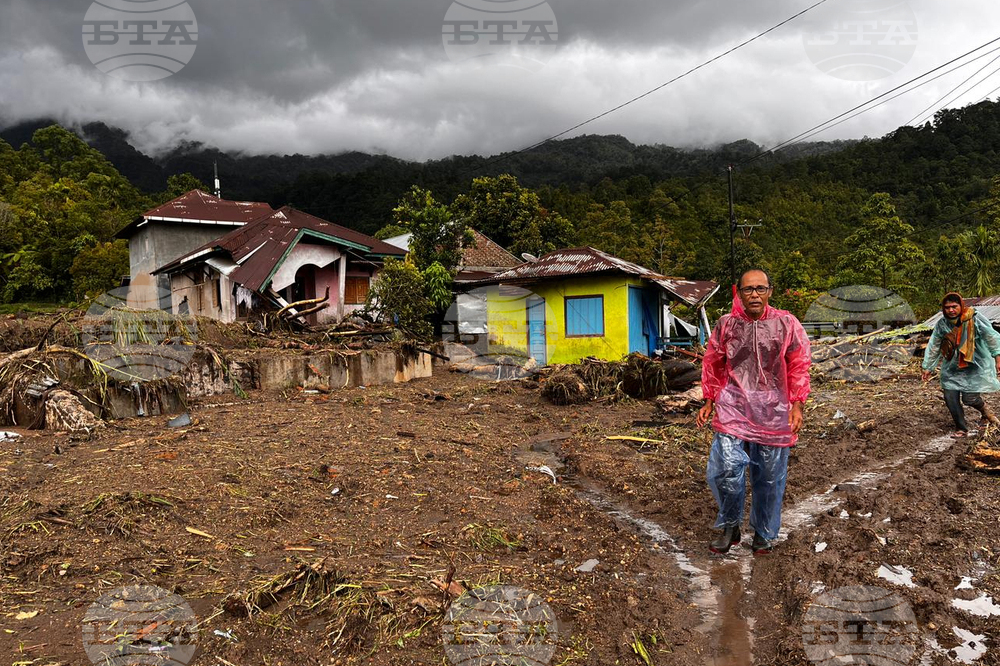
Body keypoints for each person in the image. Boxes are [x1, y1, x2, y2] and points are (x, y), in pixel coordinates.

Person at [696, 269, 812, 555]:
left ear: (770, 291)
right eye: (748, 289)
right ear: (739, 292)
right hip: (733, 406)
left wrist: (797, 404)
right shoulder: (726, 325)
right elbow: (713, 362)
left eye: (760, 288)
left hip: (774, 409)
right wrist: (709, 399)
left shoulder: (786, 323)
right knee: (725, 469)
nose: (754, 294)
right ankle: (730, 525)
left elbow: (799, 363)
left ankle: (763, 531)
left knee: (769, 475)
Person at [921, 292, 1000, 438]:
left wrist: (997, 357)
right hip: (952, 366)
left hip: (975, 365)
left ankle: (985, 412)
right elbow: (935, 345)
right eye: (947, 307)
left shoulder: (974, 318)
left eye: (954, 306)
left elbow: (991, 336)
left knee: (969, 399)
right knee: (950, 396)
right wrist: (928, 367)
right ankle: (961, 428)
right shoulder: (942, 324)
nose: (951, 310)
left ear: (961, 306)